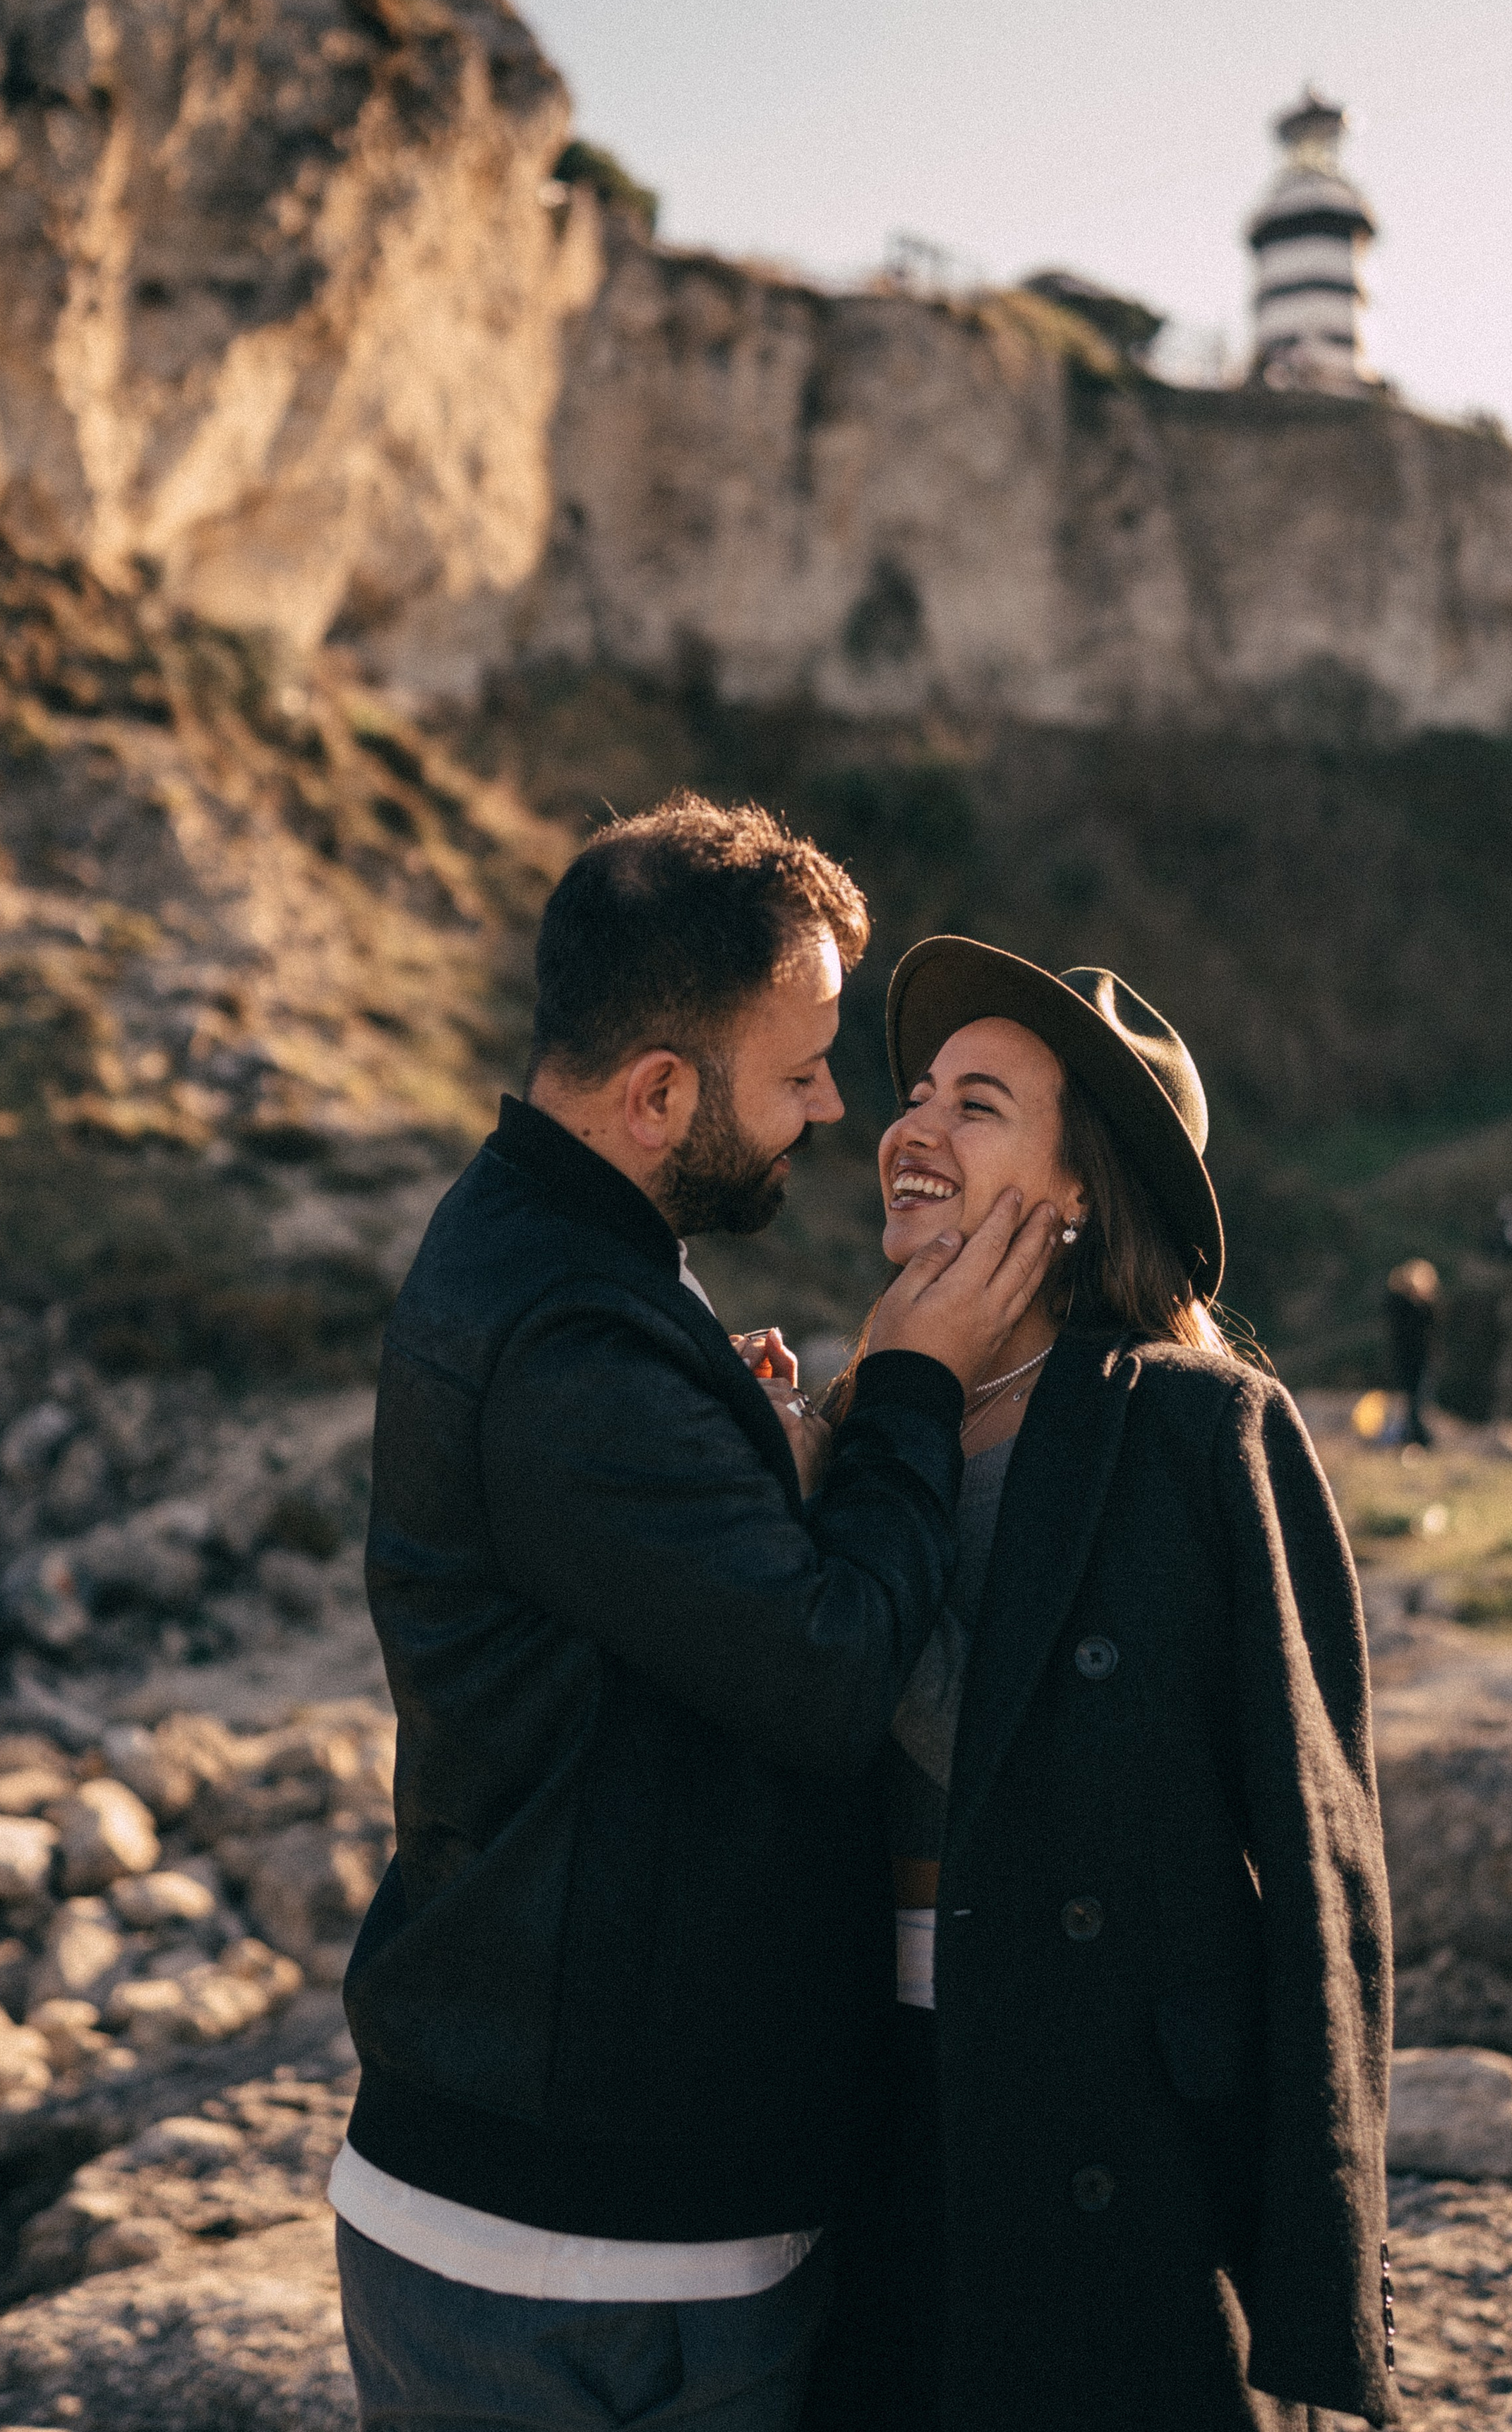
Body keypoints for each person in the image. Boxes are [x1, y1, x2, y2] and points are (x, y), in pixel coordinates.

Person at [330, 802, 1059, 2432]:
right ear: (659, 1092)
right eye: (798, 1065)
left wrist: (747, 1456)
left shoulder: (566, 1260)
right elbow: (825, 1669)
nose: (831, 1104)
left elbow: (634, 1602)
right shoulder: (570, 1332)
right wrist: (912, 1387)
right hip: (568, 2253)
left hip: (579, 2208)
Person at [773, 936, 1396, 2432]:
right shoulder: (868, 1410)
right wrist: (784, 1495)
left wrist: (1317, 2304)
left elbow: (1321, 1869)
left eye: (974, 1104)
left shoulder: (1199, 1430)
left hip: (1115, 2140)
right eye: (913, 1092)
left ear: (1072, 1193)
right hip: (869, 2108)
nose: (908, 1128)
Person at [1384, 1257, 1441, 1446]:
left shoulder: (1424, 1306)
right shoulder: (1401, 1304)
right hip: (1405, 1359)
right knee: (1410, 1401)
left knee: (1420, 1400)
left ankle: (1419, 1436)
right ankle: (1413, 1436)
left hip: (1421, 1360)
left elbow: (1431, 1323)